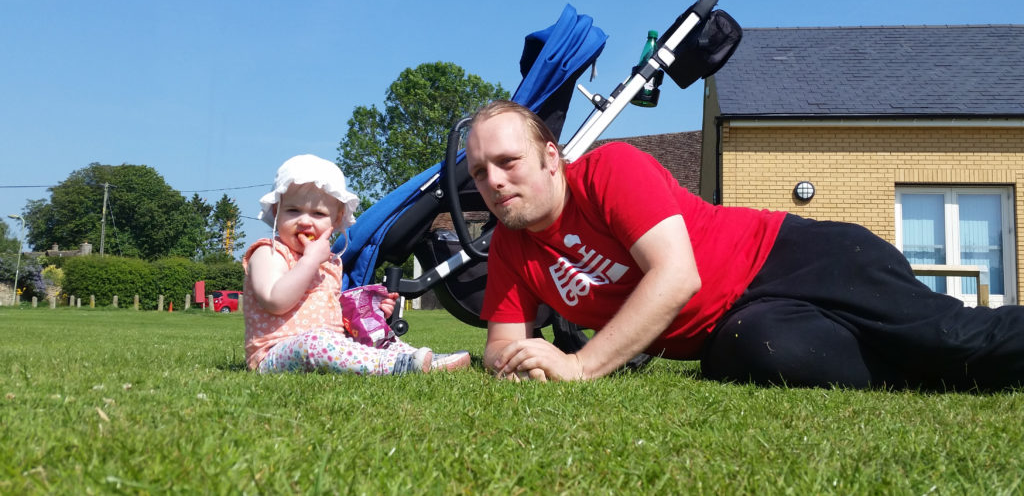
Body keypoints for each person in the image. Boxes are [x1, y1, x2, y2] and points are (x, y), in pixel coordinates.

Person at [465, 100, 1024, 390]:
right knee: (765, 353)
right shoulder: (513, 247)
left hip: (796, 258)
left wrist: (581, 366)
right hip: (737, 331)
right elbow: (500, 344)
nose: (494, 181)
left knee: (951, 339)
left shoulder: (610, 169)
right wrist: (519, 361)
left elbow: (676, 277)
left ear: (551, 158)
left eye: (508, 161)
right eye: (480, 171)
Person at [243, 154, 471, 375]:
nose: (304, 221)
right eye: (293, 211)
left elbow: (335, 315)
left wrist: (371, 310)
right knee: (316, 341)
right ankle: (394, 365)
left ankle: (415, 357)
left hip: (330, 345)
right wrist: (310, 261)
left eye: (318, 213)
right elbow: (275, 301)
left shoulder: (330, 263)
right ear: (276, 212)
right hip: (276, 353)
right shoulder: (269, 252)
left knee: (374, 334)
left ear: (337, 219)